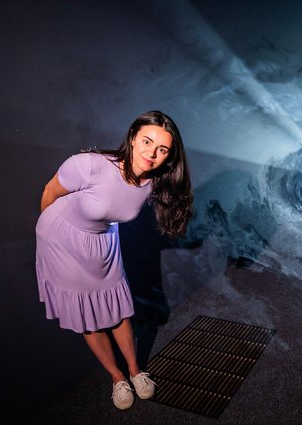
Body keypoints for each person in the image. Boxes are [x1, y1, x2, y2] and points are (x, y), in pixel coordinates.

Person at [35, 110, 194, 410]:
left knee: (117, 309)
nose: (152, 154)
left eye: (162, 150)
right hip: (62, 242)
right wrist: (53, 235)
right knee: (88, 317)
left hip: (104, 241)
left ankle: (136, 371)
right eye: (147, 142)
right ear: (133, 138)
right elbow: (49, 193)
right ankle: (117, 378)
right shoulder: (89, 166)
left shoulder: (152, 182)